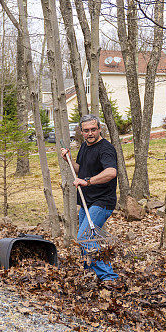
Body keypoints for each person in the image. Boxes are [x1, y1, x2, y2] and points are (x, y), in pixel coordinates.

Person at [60, 114, 120, 283]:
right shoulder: (85, 147)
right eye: (86, 130)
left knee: (85, 238)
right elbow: (81, 170)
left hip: (102, 202)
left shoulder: (106, 149)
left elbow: (111, 172)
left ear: (99, 129)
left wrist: (87, 182)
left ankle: (109, 278)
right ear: (81, 131)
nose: (90, 133)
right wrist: (69, 160)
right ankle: (90, 274)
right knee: (86, 240)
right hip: (87, 201)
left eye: (93, 129)